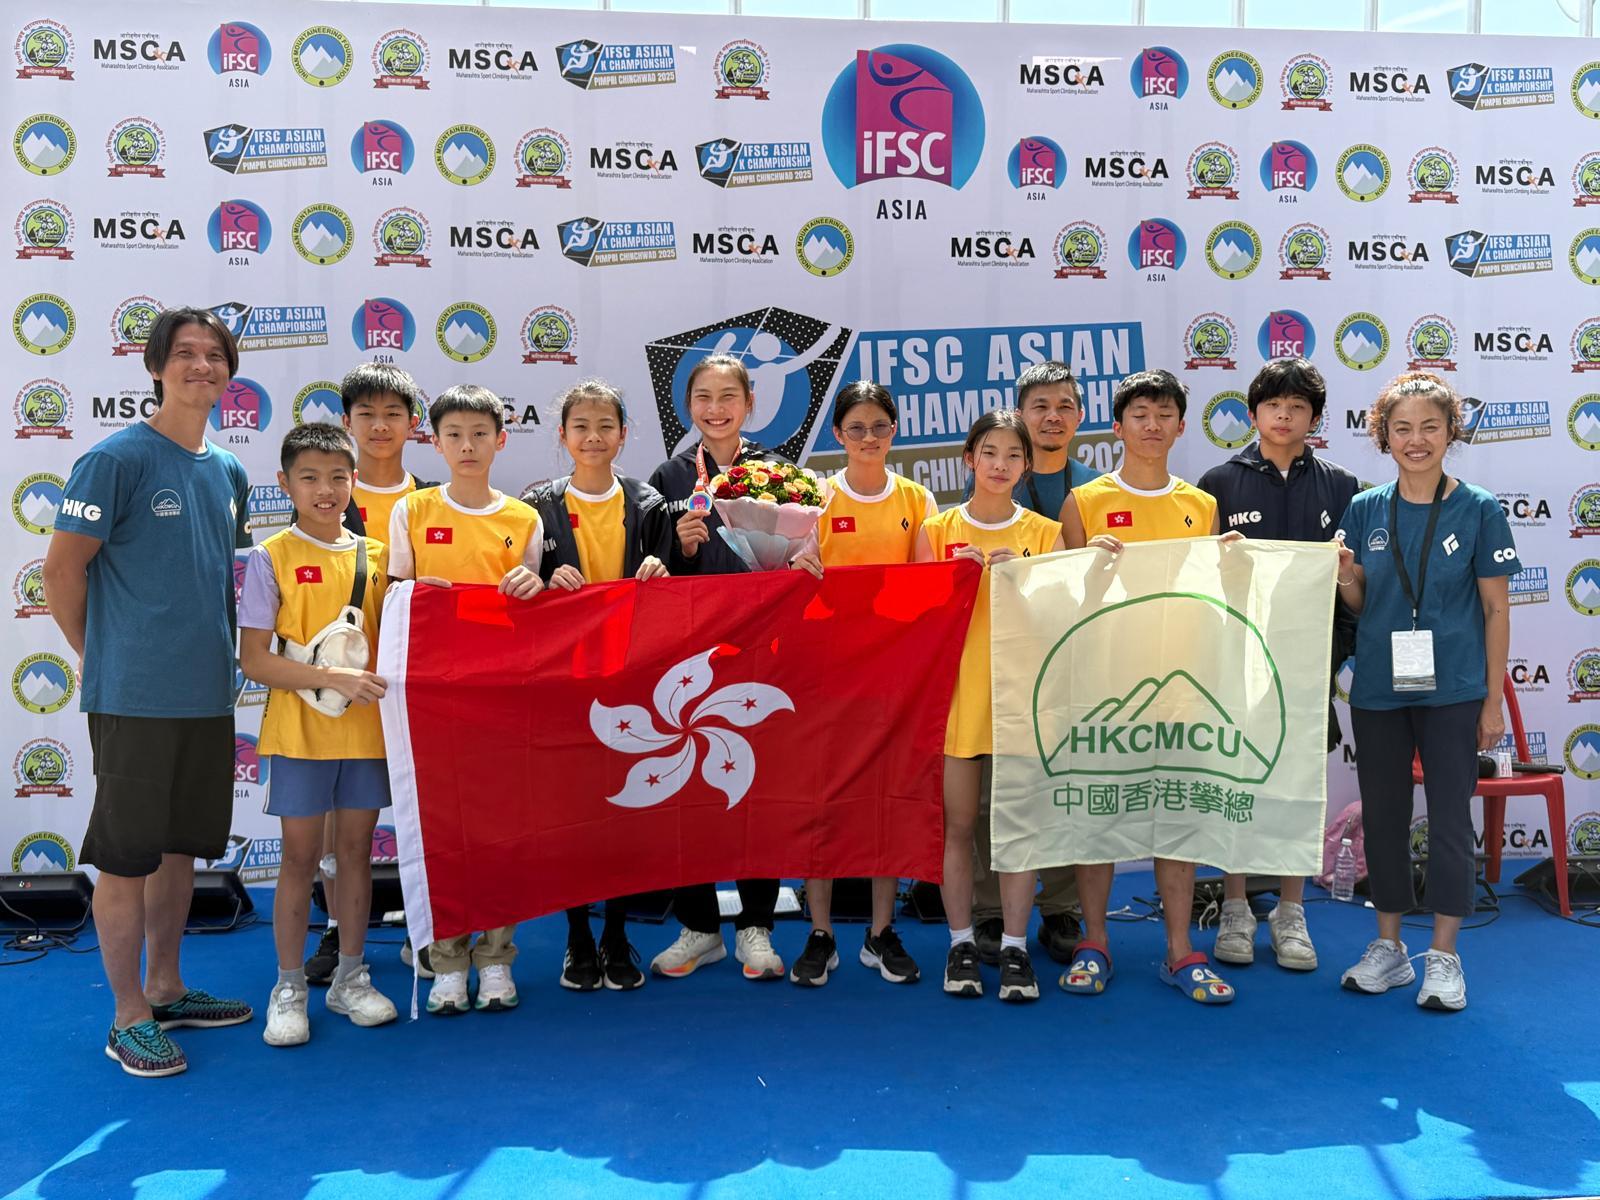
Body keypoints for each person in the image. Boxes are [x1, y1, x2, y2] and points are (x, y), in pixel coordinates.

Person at [43, 307, 254, 1077]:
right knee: (127, 859)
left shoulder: (228, 471)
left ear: (229, 372)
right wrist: (101, 656)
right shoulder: (115, 459)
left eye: (215, 354)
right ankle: (127, 1016)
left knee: (177, 850)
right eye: (186, 353)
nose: (202, 365)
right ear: (156, 367)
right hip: (134, 699)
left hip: (206, 695)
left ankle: (165, 988)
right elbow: (61, 571)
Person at [1333, 372, 1517, 1013]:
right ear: (1383, 435)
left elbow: (1496, 611)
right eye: (1403, 428)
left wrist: (1491, 703)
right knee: (1383, 818)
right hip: (1379, 688)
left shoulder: (1479, 508)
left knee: (1449, 819)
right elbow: (1361, 602)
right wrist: (1346, 576)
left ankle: (1444, 955)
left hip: (1454, 691)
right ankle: (1388, 948)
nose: (1416, 440)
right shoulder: (1365, 508)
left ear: (1450, 432)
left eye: (1430, 427)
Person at [1059, 369, 1237, 1005]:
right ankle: (1095, 941)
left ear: (1182, 427)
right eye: (1140, 414)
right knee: (1098, 812)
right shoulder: (1084, 502)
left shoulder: (1202, 506)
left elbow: (1211, 598)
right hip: (1107, 685)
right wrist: (1089, 570)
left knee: (1177, 813)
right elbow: (1064, 603)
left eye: (1164, 415)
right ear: (1118, 426)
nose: (1152, 425)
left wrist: (1233, 564)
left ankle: (1179, 948)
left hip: (1180, 685)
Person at [1196, 358, 1359, 972]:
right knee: (1237, 781)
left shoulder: (1344, 486)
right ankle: (1236, 906)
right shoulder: (1218, 481)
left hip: (1308, 663)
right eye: (1273, 405)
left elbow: (1354, 585)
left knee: (1299, 785)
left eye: (1297, 406)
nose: (1284, 415)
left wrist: (1338, 647)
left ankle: (1291, 910)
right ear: (1253, 413)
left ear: (1315, 418)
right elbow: (1200, 580)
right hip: (1237, 660)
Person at [387, 384, 545, 1015]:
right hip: (435, 696)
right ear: (435, 441)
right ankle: (447, 960)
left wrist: (535, 586)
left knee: (503, 829)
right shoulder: (412, 510)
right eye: (453, 434)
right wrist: (413, 591)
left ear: (501, 439)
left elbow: (536, 618)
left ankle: (497, 957)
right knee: (444, 828)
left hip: (502, 695)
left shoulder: (524, 519)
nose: (468, 445)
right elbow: (393, 600)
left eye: (480, 433)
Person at [239, 424, 398, 1046]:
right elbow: (254, 660)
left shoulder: (379, 557)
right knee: (300, 859)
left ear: (354, 481)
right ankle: (288, 987)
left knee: (355, 854)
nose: (324, 489)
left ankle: (351, 977)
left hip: (364, 733)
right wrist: (330, 676)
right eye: (309, 477)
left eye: (337, 477)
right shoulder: (269, 556)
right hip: (299, 734)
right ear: (285, 484)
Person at [521, 381, 671, 993]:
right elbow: (517, 596)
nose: (593, 437)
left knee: (621, 812)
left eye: (605, 425)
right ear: (562, 435)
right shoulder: (536, 507)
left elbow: (678, 602)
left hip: (632, 683)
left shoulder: (650, 504)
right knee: (572, 813)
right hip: (566, 685)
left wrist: (663, 570)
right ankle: (577, 934)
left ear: (623, 435)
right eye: (580, 426)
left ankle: (615, 933)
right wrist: (541, 582)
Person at [787, 381, 934, 988]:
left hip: (892, 679)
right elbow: (794, 579)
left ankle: (880, 931)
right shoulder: (815, 499)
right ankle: (820, 933)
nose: (868, 437)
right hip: (826, 675)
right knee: (821, 804)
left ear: (894, 431)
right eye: (856, 428)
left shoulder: (917, 499)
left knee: (884, 803)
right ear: (837, 435)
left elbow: (929, 589)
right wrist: (796, 568)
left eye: (879, 426)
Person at [295, 365, 436, 987]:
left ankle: (425, 925)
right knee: (337, 815)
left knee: (424, 804)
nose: (380, 426)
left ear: (413, 423)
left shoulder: (434, 496)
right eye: (366, 414)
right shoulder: (330, 496)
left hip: (417, 682)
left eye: (393, 414)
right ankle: (334, 927)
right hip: (343, 683)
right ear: (346, 422)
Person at [645, 354, 785, 982]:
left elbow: (798, 554)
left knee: (758, 788)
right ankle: (699, 927)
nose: (716, 408)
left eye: (729, 396)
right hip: (688, 657)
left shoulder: (779, 473)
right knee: (689, 788)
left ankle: (756, 925)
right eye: (703, 396)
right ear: (688, 406)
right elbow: (650, 570)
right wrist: (678, 547)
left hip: (759, 652)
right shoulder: (669, 475)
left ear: (750, 403)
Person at [917, 409, 1064, 1002]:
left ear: (1026, 466)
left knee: (1019, 831)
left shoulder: (1045, 535)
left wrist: (1026, 579)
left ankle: (1015, 948)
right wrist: (942, 584)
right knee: (957, 827)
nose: (1000, 465)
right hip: (957, 698)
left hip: (1021, 699)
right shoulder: (935, 531)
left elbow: (1061, 623)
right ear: (969, 459)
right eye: (989, 453)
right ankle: (959, 944)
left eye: (1013, 455)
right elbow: (913, 621)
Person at [967, 362, 1100, 966]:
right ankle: (990, 910)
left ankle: (1061, 907)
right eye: (1040, 405)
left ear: (1080, 416)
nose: (1053, 416)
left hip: (1073, 664)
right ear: (1020, 416)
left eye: (1065, 405)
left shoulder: (1096, 491)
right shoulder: (990, 489)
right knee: (991, 795)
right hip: (993, 673)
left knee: (1062, 788)